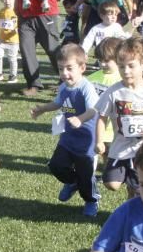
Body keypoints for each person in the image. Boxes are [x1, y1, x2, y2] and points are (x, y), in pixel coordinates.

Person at [30, 44, 101, 217]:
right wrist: (42, 109)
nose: (64, 73)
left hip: (86, 142)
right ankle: (72, 182)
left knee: (86, 175)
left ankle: (92, 200)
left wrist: (80, 119)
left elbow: (94, 110)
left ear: (82, 68)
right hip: (68, 138)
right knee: (56, 165)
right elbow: (58, 103)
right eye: (61, 69)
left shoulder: (86, 87)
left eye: (69, 68)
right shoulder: (63, 87)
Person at [93, 39, 143, 199]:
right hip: (119, 148)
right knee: (111, 184)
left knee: (137, 191)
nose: (126, 71)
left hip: (141, 150)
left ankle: (133, 207)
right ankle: (129, 182)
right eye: (121, 66)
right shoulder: (113, 92)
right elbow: (102, 117)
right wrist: (99, 141)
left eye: (131, 66)